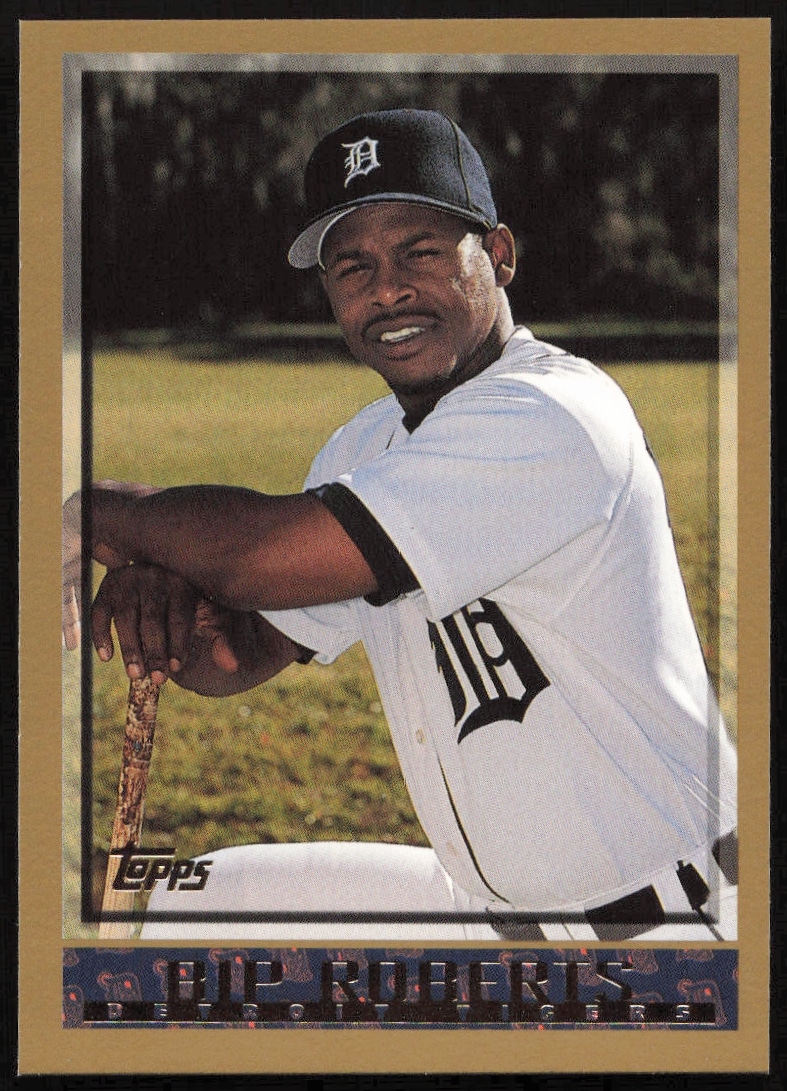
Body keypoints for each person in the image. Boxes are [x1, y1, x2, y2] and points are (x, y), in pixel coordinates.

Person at [63, 109, 737, 942]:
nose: (386, 290)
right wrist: (163, 600)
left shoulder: (551, 415)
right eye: (353, 266)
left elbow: (255, 558)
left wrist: (103, 512)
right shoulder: (368, 447)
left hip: (675, 924)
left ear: (498, 255)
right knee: (192, 905)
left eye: (419, 252)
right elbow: (238, 648)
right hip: (494, 921)